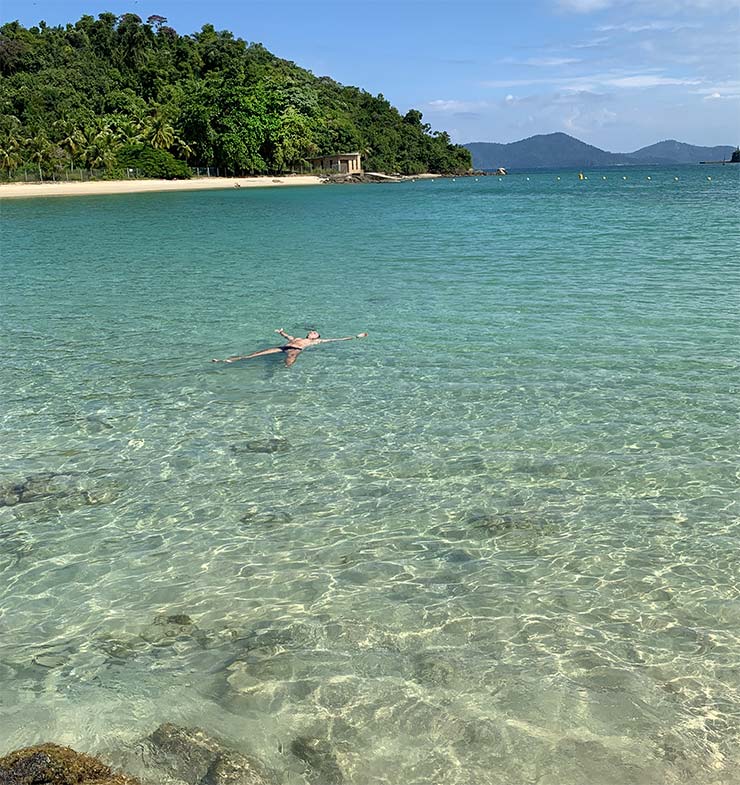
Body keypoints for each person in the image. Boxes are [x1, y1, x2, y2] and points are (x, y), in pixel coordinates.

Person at [212, 328, 369, 367]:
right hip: (283, 346)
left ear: (317, 337)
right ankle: (229, 360)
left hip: (295, 350)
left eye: (315, 333)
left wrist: (356, 337)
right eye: (311, 331)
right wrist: (281, 332)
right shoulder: (298, 338)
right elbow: (287, 338)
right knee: (255, 354)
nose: (312, 332)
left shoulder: (315, 342)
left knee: (291, 357)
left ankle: (286, 368)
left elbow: (337, 339)